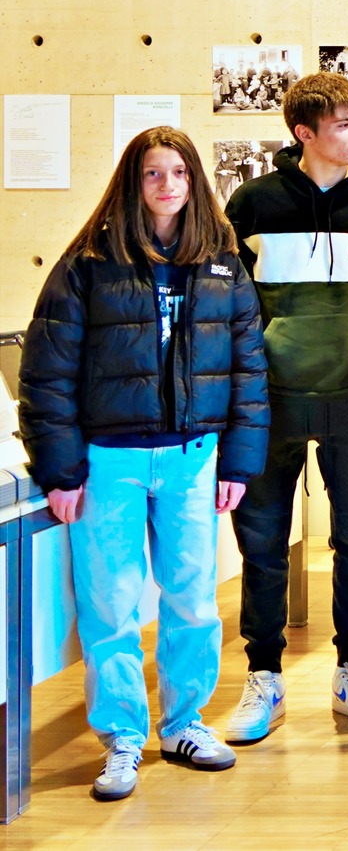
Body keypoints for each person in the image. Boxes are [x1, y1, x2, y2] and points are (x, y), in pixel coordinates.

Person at [18, 128, 268, 800]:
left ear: (194, 182)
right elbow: (46, 372)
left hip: (192, 459)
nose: (166, 185)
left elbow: (249, 369)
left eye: (178, 172)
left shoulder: (221, 263)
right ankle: (123, 736)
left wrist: (238, 461)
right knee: (111, 605)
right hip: (108, 463)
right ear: (132, 183)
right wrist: (60, 469)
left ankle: (184, 722)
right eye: (153, 173)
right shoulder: (87, 263)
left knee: (192, 598)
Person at [222, 73, 348, 745]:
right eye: (343, 124)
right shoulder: (252, 202)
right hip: (268, 398)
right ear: (305, 133)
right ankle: (264, 674)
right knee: (263, 543)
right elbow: (228, 309)